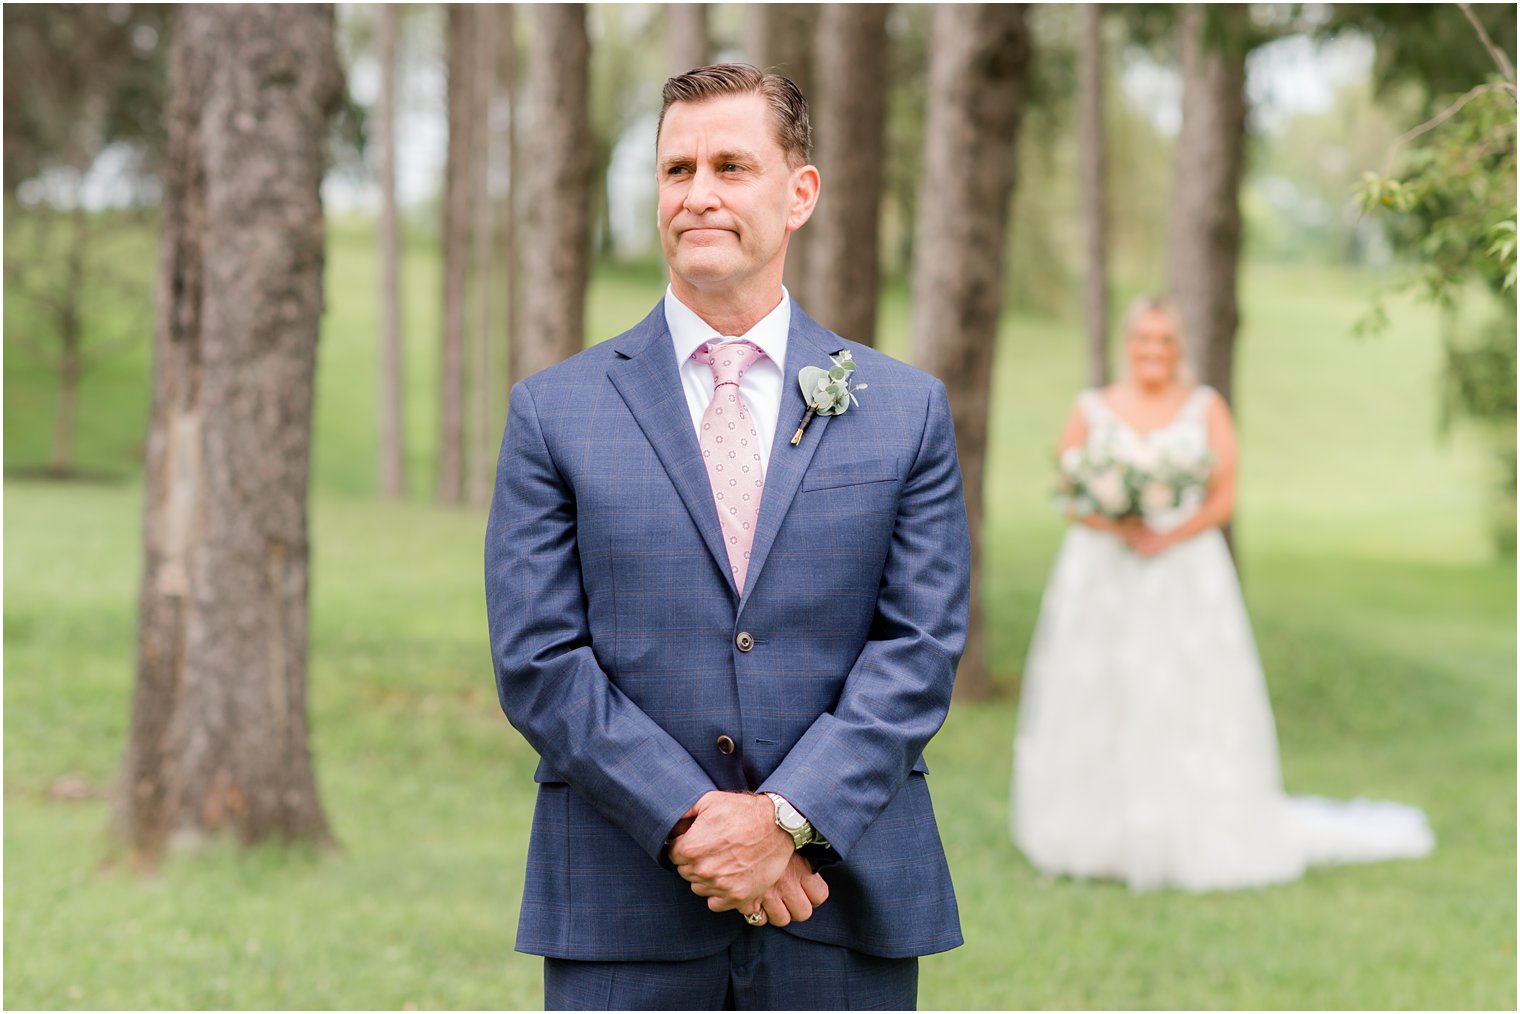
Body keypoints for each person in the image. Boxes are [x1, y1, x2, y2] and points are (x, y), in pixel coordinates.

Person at [484, 64, 971, 1010]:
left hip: (839, 898)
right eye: (676, 170)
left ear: (800, 193)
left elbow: (918, 649)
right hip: (625, 906)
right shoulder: (555, 412)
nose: (697, 194)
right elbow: (539, 658)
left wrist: (788, 821)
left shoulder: (906, 411)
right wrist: (698, 825)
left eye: (731, 165)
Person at [1010, 297, 1435, 892]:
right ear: (1127, 343)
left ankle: (1189, 829)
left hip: (1184, 572)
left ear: (1179, 347)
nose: (1153, 352)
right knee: (1103, 692)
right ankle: (1096, 834)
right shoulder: (1092, 409)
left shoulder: (1205, 408)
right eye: (1143, 341)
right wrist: (1121, 525)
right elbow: (1068, 493)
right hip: (1104, 574)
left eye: (1165, 342)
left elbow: (1221, 499)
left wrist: (1166, 536)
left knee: (1185, 693)